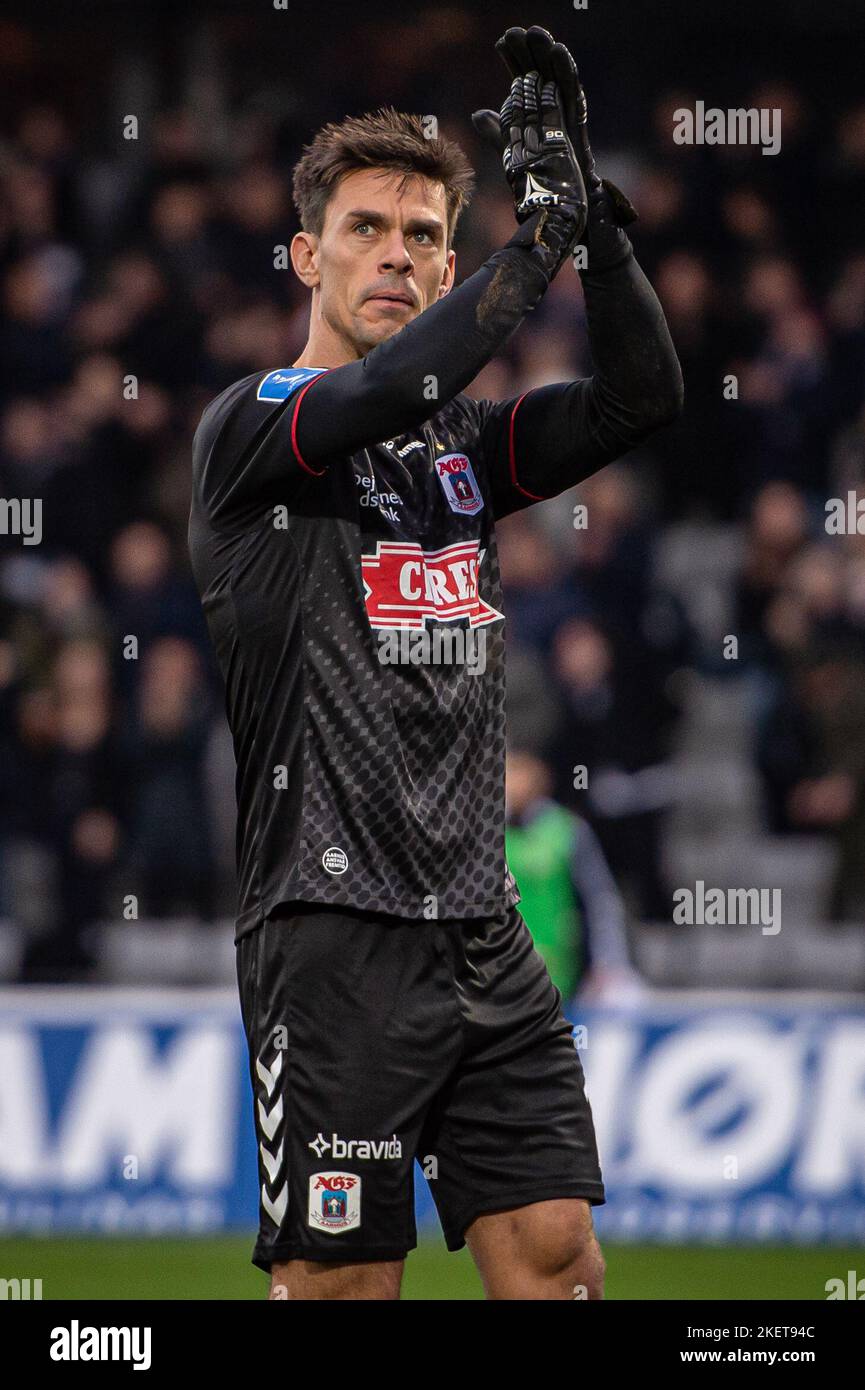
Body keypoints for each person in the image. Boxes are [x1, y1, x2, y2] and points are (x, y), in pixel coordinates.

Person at [189, 25, 682, 1300]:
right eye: (364, 229)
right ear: (304, 253)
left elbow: (642, 398)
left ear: (444, 262)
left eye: (420, 237)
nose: (394, 255)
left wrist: (597, 234)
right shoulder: (252, 430)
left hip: (483, 926)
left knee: (559, 1259)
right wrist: (534, 250)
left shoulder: (465, 441)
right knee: (345, 1287)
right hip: (330, 932)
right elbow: (386, 392)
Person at [505, 748, 642, 1005]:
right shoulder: (487, 833)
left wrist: (608, 960)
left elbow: (599, 899)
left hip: (562, 967)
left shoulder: (567, 831)